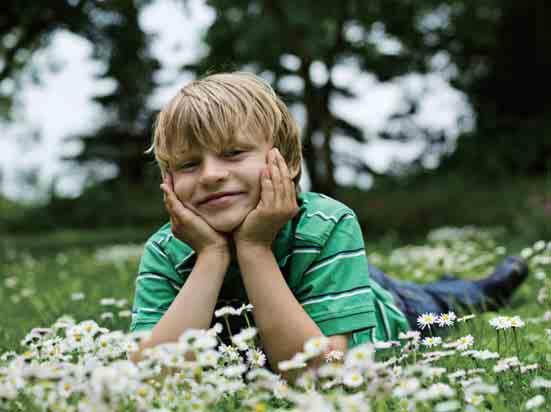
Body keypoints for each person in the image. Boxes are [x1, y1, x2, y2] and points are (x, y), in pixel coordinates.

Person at [129, 72, 528, 371]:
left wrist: (254, 247)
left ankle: (482, 288)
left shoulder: (329, 224)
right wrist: (212, 255)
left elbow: (318, 377)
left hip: (391, 308)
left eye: (233, 153)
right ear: (168, 181)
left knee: (442, 305)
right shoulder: (165, 252)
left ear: (287, 163)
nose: (211, 174)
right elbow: (155, 376)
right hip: (323, 283)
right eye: (188, 164)